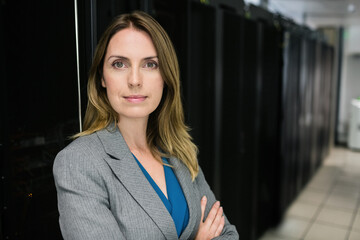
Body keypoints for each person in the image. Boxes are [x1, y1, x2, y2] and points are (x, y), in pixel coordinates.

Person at [53, 11, 239, 240]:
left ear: (165, 76)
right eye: (119, 64)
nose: (134, 80)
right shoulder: (79, 162)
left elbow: (228, 234)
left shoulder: (179, 151)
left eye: (150, 64)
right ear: (102, 77)